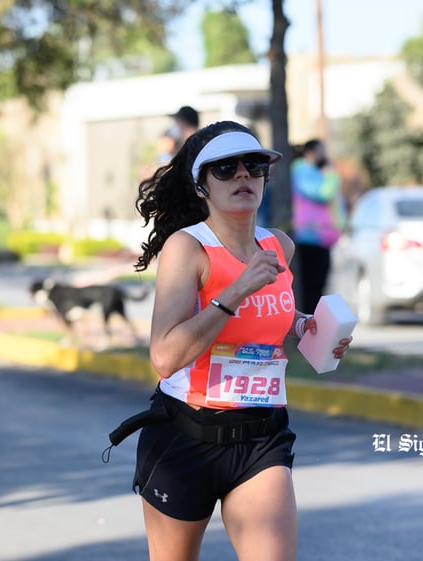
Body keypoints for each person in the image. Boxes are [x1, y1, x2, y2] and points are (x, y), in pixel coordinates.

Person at [122, 121, 352, 561]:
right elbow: (165, 356)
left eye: (254, 166)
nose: (243, 175)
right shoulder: (187, 249)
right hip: (186, 434)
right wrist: (235, 290)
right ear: (202, 186)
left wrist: (307, 327)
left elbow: (272, 314)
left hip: (260, 436)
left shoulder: (278, 246)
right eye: (225, 168)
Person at [290, 139, 345, 314]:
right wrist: (331, 175)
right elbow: (323, 194)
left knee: (318, 287)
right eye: (321, 150)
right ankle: (309, 327)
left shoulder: (315, 171)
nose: (324, 155)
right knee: (311, 289)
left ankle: (315, 327)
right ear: (310, 152)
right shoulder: (301, 170)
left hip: (322, 238)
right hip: (309, 237)